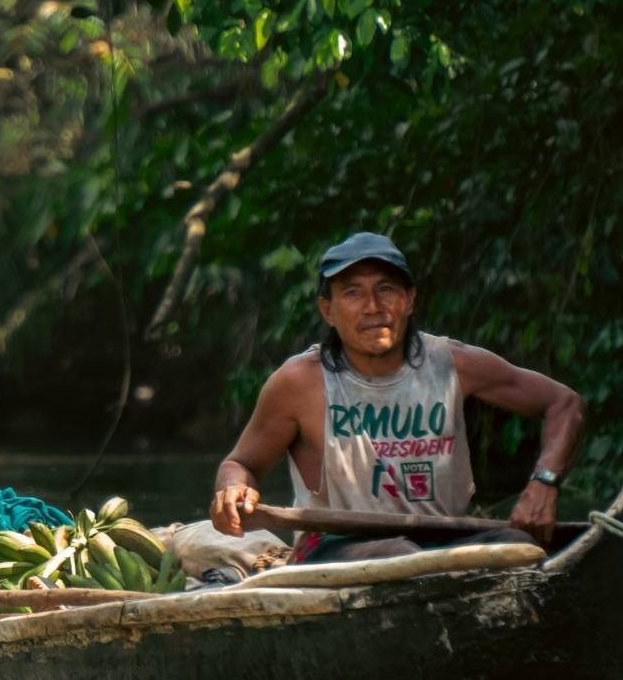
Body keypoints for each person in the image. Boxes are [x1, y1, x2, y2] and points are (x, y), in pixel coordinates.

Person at [209, 231, 584, 562]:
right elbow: (242, 463)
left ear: (409, 300)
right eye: (352, 292)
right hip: (334, 546)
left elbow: (563, 402)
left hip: (441, 541)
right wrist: (233, 490)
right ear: (329, 310)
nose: (373, 306)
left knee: (515, 543)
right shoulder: (299, 382)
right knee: (398, 556)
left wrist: (543, 483)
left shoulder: (453, 364)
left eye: (386, 288)